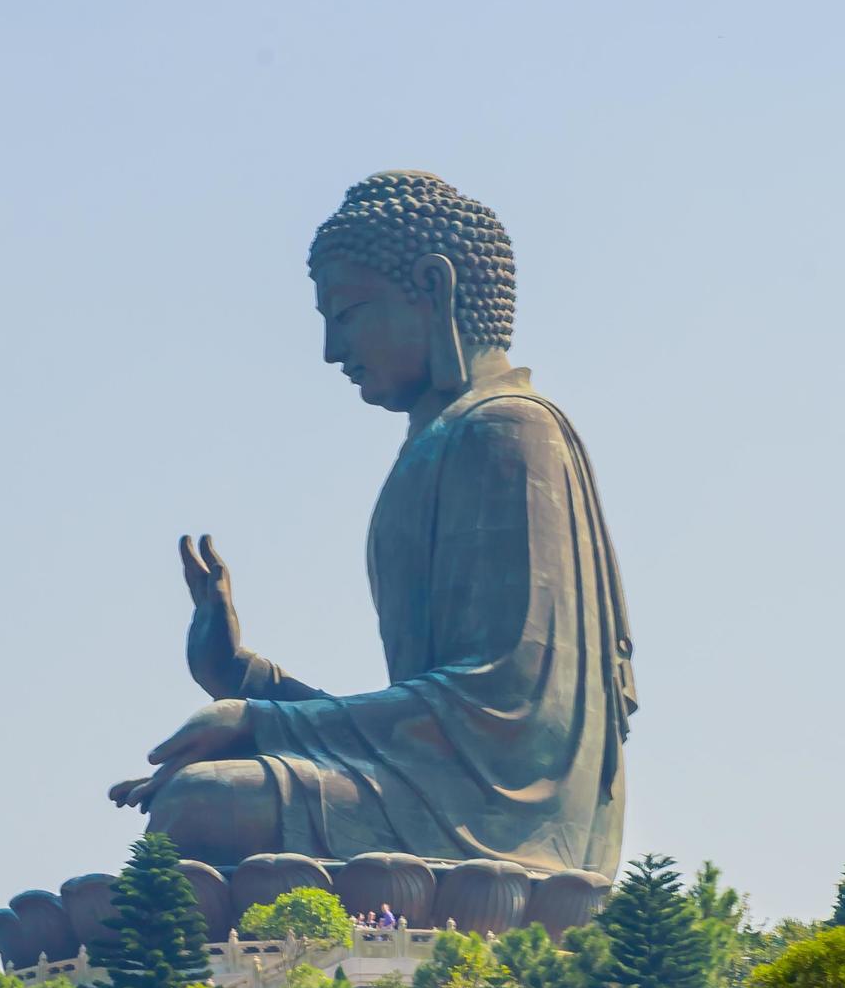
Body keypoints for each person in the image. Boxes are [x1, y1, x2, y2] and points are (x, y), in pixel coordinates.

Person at [110, 172, 635, 880]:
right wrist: (243, 679)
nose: (332, 350)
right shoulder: (441, 440)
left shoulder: (507, 431)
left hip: (505, 819)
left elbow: (497, 706)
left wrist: (259, 720)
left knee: (199, 803)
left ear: (434, 285)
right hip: (433, 787)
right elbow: (426, 721)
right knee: (196, 799)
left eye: (349, 313)